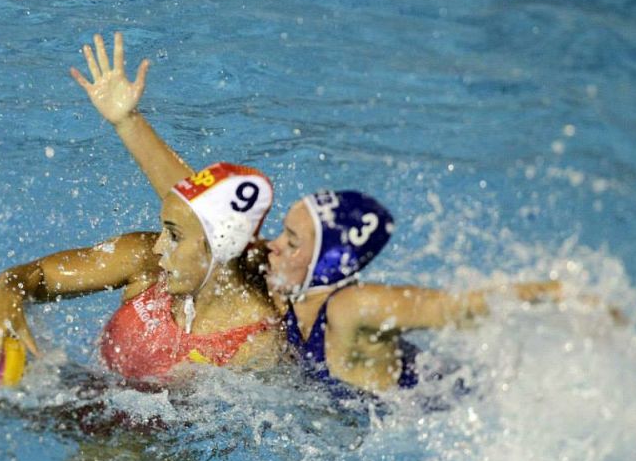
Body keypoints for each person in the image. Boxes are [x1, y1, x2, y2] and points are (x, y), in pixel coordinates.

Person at [71, 32, 565, 395]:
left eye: (292, 240)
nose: (272, 245)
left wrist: (563, 296)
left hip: (435, 416)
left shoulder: (350, 308)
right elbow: (202, 217)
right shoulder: (281, 287)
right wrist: (127, 122)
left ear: (325, 263)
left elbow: (459, 307)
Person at [0, 161, 282, 382]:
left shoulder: (254, 345)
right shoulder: (144, 261)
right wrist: (6, 299)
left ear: (219, 249)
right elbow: (35, 275)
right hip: (78, 394)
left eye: (174, 235)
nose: (159, 246)